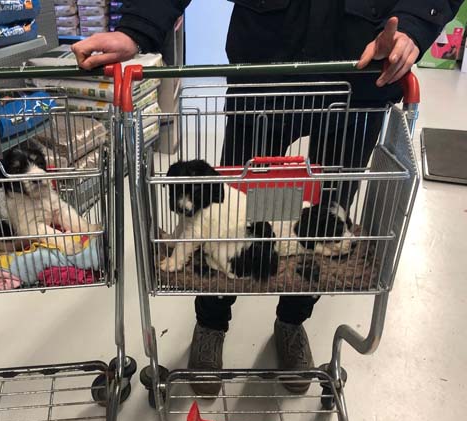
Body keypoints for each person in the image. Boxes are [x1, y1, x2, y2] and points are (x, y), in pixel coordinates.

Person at [73, 0, 462, 396]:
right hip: (266, 63)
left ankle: (293, 319)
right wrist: (138, 27)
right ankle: (211, 322)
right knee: (231, 213)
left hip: (361, 70)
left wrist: (414, 24)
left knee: (322, 222)